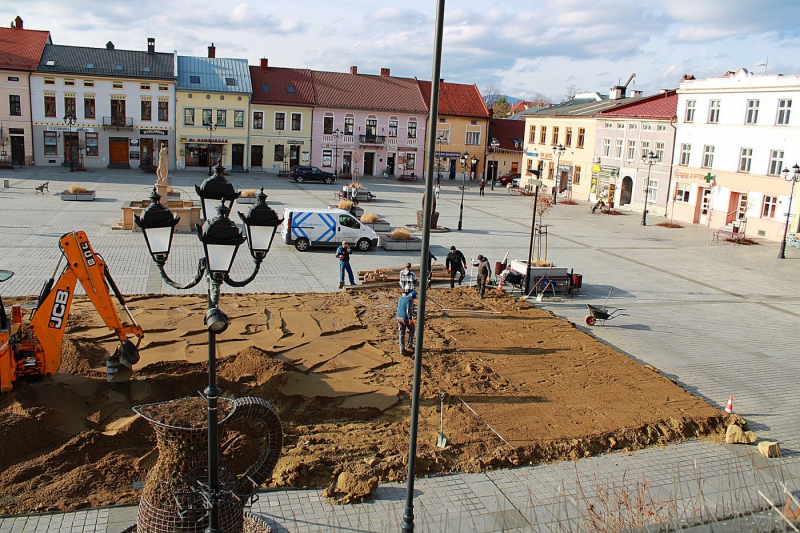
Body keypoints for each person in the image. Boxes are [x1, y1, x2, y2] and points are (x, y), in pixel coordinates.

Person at [397, 290, 417, 356]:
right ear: (412, 298)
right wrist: (410, 319)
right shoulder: (409, 300)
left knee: (401, 333)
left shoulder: (401, 298)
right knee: (412, 329)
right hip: (405, 318)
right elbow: (408, 310)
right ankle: (410, 344)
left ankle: (401, 349)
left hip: (399, 318)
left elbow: (401, 307)